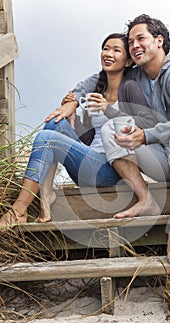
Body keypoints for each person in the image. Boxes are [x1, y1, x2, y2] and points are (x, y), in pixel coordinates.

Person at [56, 15, 170, 266]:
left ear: (159, 41)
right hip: (163, 158)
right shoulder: (138, 75)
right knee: (112, 128)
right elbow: (97, 78)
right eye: (131, 42)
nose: (134, 46)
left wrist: (148, 135)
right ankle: (146, 200)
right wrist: (73, 100)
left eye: (141, 38)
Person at [0, 32, 158, 227]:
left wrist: (107, 110)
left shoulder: (130, 87)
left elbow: (148, 122)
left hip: (111, 168)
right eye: (105, 48)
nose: (108, 53)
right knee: (54, 124)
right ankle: (46, 195)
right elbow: (88, 139)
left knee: (47, 137)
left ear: (127, 62)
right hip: (89, 162)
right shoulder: (97, 90)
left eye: (116, 50)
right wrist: (74, 120)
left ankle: (19, 210)